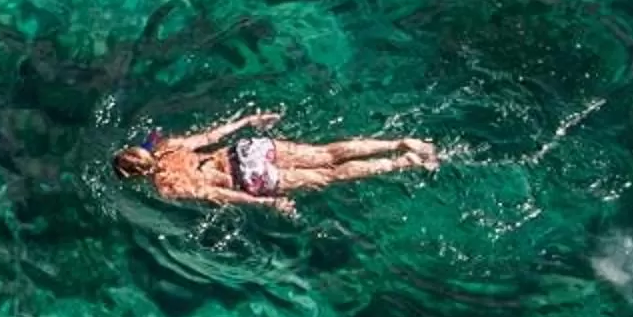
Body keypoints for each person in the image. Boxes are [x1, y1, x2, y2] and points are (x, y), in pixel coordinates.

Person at [112, 110, 439, 216]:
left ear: (133, 177)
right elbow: (212, 136)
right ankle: (399, 143)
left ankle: (404, 162)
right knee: (327, 154)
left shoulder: (168, 187)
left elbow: (219, 195)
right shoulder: (169, 146)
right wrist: (250, 120)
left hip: (250, 178)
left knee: (329, 176)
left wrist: (269, 203)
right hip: (245, 151)